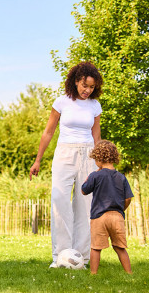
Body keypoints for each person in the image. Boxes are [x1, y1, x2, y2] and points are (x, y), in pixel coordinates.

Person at [29, 61, 103, 268]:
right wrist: (38, 160)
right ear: (76, 81)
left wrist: (100, 164)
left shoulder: (95, 106)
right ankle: (59, 257)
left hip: (87, 155)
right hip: (64, 153)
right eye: (85, 85)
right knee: (60, 200)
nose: (88, 90)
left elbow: (96, 136)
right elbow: (48, 132)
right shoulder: (61, 102)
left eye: (92, 87)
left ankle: (81, 258)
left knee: (85, 205)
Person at [81, 140, 133, 275]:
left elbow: (84, 190)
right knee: (120, 247)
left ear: (99, 158)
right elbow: (128, 198)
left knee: (96, 248)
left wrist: (89, 178)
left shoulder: (95, 175)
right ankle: (129, 273)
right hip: (117, 217)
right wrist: (120, 210)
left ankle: (94, 274)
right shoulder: (121, 177)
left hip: (99, 217)